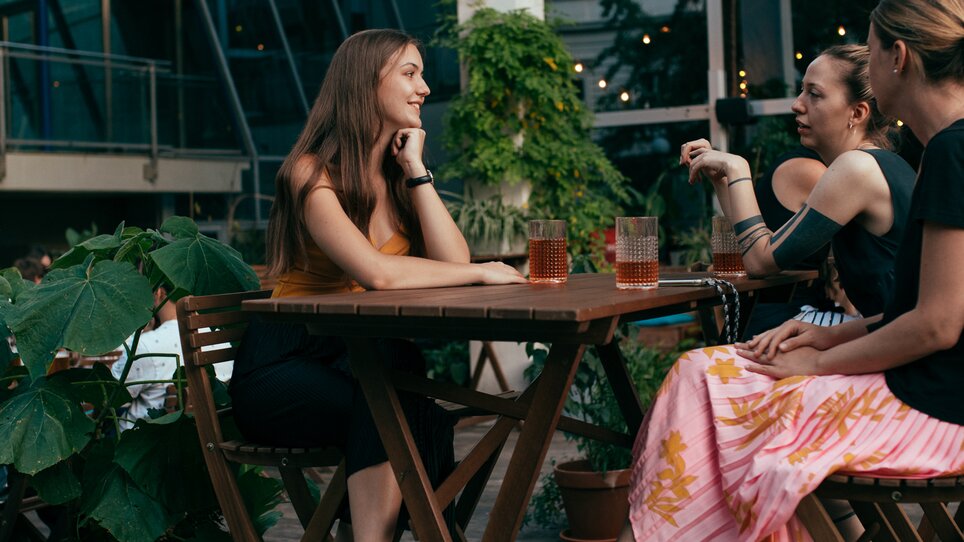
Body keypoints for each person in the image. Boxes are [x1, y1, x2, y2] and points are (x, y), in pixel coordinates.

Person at [621, 1, 964, 540]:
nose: (798, 104)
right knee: (715, 381)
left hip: (937, 405)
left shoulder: (939, 154)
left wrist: (820, 362)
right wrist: (830, 339)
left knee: (711, 386)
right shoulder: (929, 157)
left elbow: (938, 325)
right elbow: (929, 312)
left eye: (870, 51)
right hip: (930, 380)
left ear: (898, 57)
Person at [229, 29, 526, 541]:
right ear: (366, 85)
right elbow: (379, 274)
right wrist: (482, 271)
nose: (425, 88)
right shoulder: (309, 172)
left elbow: (450, 259)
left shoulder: (396, 178)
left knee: (399, 380)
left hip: (359, 361)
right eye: (410, 74)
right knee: (401, 405)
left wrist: (415, 169)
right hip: (285, 368)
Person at [682, 44, 916, 320]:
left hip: (908, 356)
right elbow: (759, 245)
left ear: (857, 113)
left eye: (814, 94)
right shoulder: (881, 164)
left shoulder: (856, 168)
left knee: (698, 363)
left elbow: (760, 261)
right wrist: (723, 181)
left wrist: (738, 168)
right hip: (895, 341)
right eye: (802, 90)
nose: (797, 104)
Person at [111, 286, 181, 430]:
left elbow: (113, 396)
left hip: (141, 437)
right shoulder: (215, 337)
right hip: (196, 437)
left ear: (159, 292)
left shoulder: (147, 345)